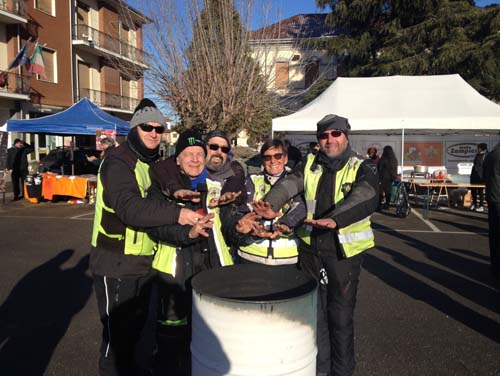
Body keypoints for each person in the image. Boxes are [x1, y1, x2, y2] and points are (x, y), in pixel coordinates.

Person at [252, 114, 379, 376]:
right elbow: (290, 184)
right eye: (324, 135)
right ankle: (320, 371)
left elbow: (366, 194)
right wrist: (271, 204)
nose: (329, 140)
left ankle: (342, 372)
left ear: (346, 135)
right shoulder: (310, 163)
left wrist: (335, 219)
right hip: (311, 252)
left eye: (336, 134)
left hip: (343, 255)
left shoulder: (361, 166)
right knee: (316, 319)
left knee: (340, 320)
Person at [89, 98, 198, 376]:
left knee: (136, 339)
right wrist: (178, 214)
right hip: (115, 263)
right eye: (147, 127)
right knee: (116, 344)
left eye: (159, 129)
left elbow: (169, 180)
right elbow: (131, 209)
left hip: (143, 264)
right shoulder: (118, 162)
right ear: (134, 129)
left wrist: (177, 192)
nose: (153, 133)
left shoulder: (150, 162)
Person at [147, 130, 237, 375]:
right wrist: (188, 234)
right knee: (171, 343)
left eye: (199, 154)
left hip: (212, 272)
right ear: (177, 159)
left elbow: (225, 225)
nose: (195, 159)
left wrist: (241, 225)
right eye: (189, 155)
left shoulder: (215, 188)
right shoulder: (161, 189)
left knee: (208, 340)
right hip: (174, 275)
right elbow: (157, 229)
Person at [222, 139, 306, 267]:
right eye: (267, 157)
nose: (273, 161)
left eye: (278, 156)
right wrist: (250, 228)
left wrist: (285, 224)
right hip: (251, 257)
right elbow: (242, 211)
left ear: (285, 158)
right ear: (262, 160)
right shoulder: (252, 180)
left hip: (287, 259)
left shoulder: (296, 180)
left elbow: (302, 208)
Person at [483, 142, 500, 277]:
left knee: (494, 233)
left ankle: (495, 266)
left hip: (491, 196)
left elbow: (484, 177)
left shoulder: (490, 156)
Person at [378, 145, 398, 210]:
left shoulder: (383, 159)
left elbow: (379, 168)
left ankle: (379, 205)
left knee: (380, 191)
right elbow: (395, 169)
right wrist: (394, 177)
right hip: (391, 178)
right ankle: (387, 205)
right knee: (388, 192)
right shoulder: (394, 159)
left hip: (383, 177)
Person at [470, 143, 488, 212]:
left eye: (478, 147)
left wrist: (484, 177)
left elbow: (485, 167)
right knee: (473, 191)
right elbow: (475, 165)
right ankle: (474, 204)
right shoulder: (477, 154)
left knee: (480, 192)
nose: (478, 149)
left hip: (481, 177)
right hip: (474, 176)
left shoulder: (486, 155)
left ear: (481, 148)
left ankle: (481, 206)